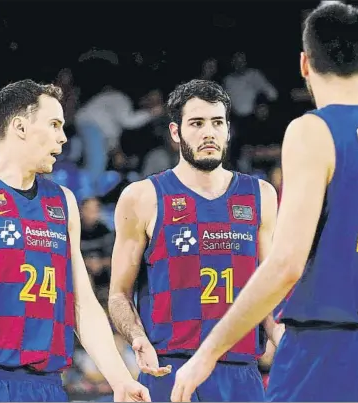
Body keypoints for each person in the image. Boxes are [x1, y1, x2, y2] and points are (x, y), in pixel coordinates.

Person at [170, 2, 358, 402]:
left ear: (304, 64)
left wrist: (207, 352)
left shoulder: (312, 131)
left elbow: (286, 265)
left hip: (324, 348)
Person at [0, 79, 151, 403]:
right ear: (20, 126)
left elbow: (82, 304)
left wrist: (120, 380)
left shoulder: (64, 202)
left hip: (47, 386)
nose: (62, 137)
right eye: (54, 124)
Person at [107, 79, 282, 402]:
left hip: (239, 371)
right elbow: (119, 294)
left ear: (228, 130)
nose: (209, 133)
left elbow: (268, 290)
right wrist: (136, 337)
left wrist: (282, 338)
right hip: (168, 370)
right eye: (197, 123)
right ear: (176, 133)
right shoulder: (142, 197)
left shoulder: (261, 196)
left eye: (217, 123)